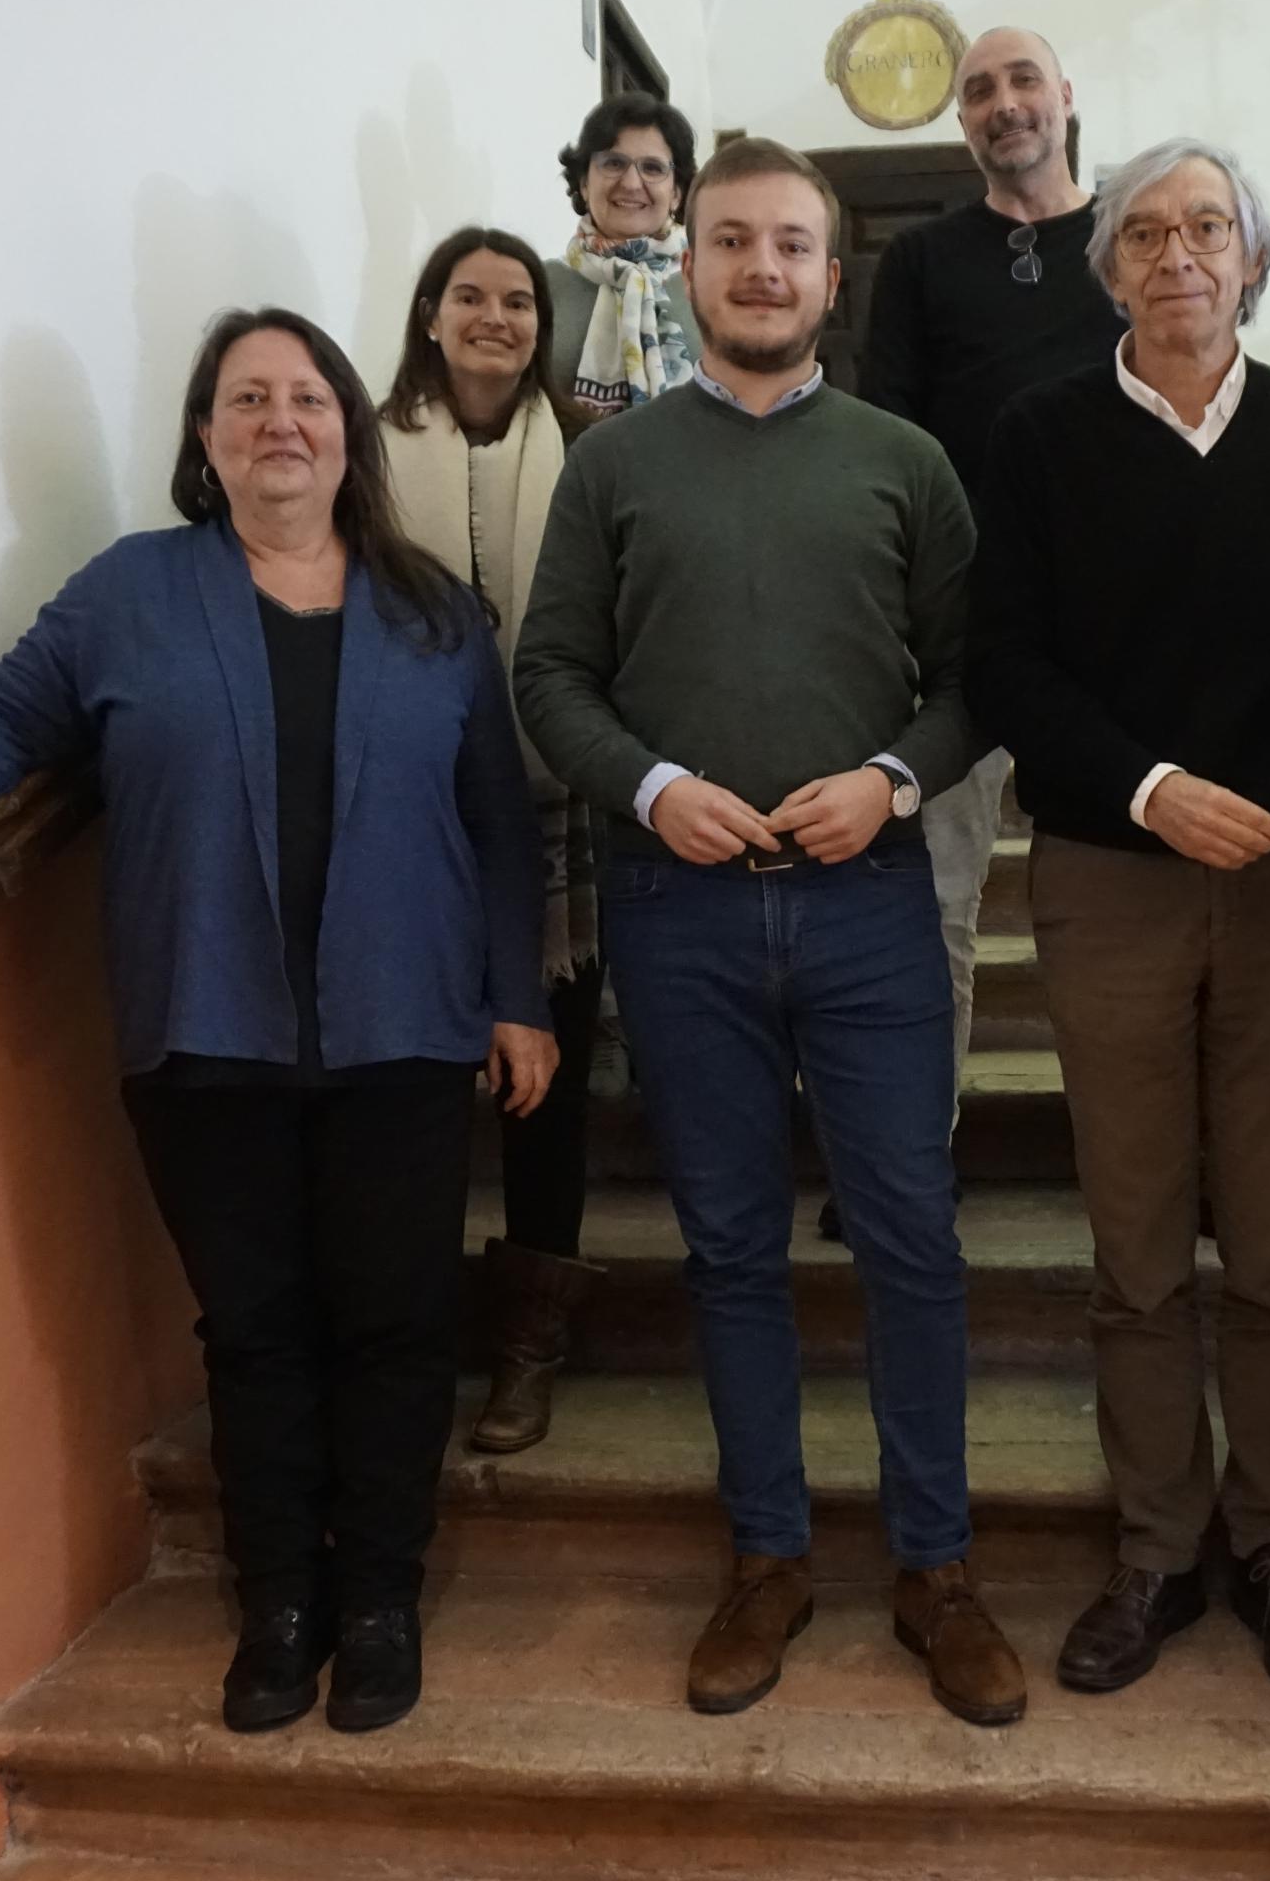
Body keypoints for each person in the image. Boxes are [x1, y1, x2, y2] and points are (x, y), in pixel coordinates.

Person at [0, 308, 557, 1737]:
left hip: (405, 1034)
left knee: (394, 1325)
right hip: (207, 1038)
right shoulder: (131, 594)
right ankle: (281, 1605)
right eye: (246, 399)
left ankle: (376, 1598)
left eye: (307, 398)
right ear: (204, 436)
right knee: (254, 1335)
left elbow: (502, 823)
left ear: (348, 432)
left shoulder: (433, 614)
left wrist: (516, 999)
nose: (280, 423)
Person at [513, 136, 1025, 1728]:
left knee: (912, 1249)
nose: (760, 269)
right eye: (730, 241)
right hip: (680, 914)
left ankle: (937, 1568)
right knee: (732, 1252)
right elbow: (549, 677)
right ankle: (769, 1558)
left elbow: (971, 684)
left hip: (868, 906)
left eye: (790, 246)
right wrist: (649, 786)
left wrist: (890, 781)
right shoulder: (613, 465)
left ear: (828, 273)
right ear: (691, 262)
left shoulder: (903, 461)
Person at [968, 137, 1270, 1709]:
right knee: (1139, 1250)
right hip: (1112, 878)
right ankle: (1157, 1546)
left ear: (1256, 260)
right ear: (1111, 267)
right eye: (1146, 232)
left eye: (1209, 227)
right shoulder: (1041, 437)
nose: (1180, 254)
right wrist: (1145, 787)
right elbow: (1007, 663)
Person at [854, 24, 1125, 1230]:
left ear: (1066, 98)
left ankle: (1154, 1156)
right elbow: (889, 440)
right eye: (979, 92)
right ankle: (916, 1148)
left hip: (1108, 634)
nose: (1004, 105)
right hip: (956, 629)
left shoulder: (1131, 241)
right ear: (960, 121)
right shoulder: (918, 263)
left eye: (1023, 82)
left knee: (1130, 903)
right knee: (932, 904)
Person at [382, 226, 608, 1456]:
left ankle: (530, 1343)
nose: (496, 318)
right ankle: (413, 1335)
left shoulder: (579, 448)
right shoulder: (363, 449)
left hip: (556, 805)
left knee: (549, 1084)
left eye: (519, 300)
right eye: (469, 296)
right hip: (400, 811)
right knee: (414, 1081)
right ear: (429, 313)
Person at [547, 92, 703, 418]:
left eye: (652, 168)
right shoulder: (539, 284)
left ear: (676, 192)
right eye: (614, 163)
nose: (632, 183)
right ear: (584, 183)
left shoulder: (708, 284)